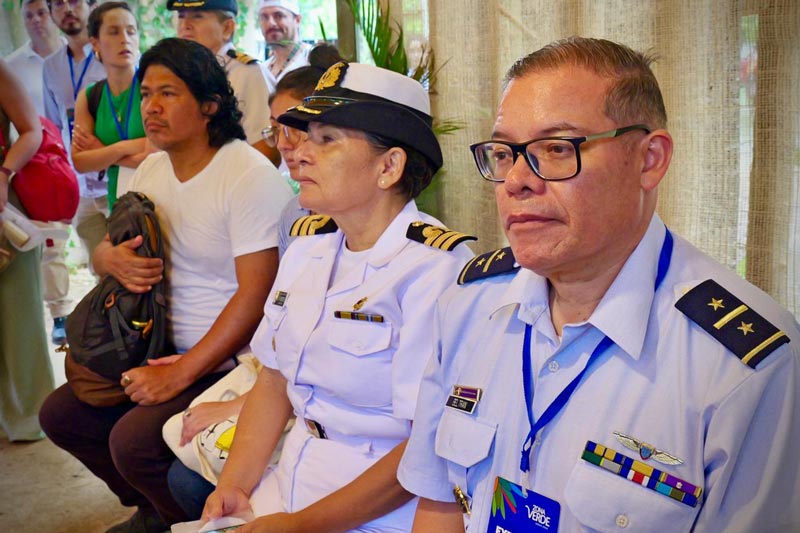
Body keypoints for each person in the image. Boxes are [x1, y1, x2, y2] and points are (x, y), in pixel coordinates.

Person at [397, 37, 800, 532]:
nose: (517, 180)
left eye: (556, 148)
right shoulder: (468, 303)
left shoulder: (743, 367)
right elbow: (439, 503)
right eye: (505, 153)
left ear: (649, 160)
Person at [200, 62, 475, 532]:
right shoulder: (309, 245)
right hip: (291, 479)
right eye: (306, 137)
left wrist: (298, 525)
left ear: (389, 166)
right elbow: (274, 380)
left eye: (327, 140)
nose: (300, 154)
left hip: (382, 509)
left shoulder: (434, 268)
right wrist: (235, 485)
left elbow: (423, 448)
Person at [39, 37, 293, 532]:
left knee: (132, 441)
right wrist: (106, 256)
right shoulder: (151, 168)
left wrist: (180, 374)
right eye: (146, 93)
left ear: (208, 105)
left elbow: (256, 295)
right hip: (148, 342)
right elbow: (110, 250)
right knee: (61, 414)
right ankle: (153, 509)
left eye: (168, 94)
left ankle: (188, 521)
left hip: (226, 359)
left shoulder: (245, 175)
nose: (151, 107)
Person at [165, 43, 343, 521]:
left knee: (177, 470)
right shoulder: (298, 221)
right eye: (276, 129)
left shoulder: (427, 264)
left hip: (342, 445)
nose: (287, 144)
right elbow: (282, 354)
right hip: (291, 403)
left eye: (304, 130)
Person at [42, 0, 107, 344]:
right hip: (78, 181)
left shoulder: (113, 60)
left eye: (75, 1)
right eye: (58, 3)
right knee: (100, 263)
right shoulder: (51, 67)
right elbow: (53, 125)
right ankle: (111, 335)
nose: (67, 9)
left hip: (116, 176)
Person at [7, 0, 69, 346]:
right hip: (39, 166)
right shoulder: (14, 65)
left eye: (41, 12)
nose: (35, 20)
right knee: (51, 245)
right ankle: (60, 313)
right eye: (27, 15)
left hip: (78, 159)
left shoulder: (74, 55)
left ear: (53, 15)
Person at [0, 60, 52, 443]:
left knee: (20, 318)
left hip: (4, 210)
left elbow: (31, 131)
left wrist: (4, 175)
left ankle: (33, 418)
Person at [169, 0, 279, 166]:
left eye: (197, 16)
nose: (185, 25)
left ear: (227, 28)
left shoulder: (247, 73)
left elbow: (267, 150)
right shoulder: (185, 75)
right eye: (181, 16)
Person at [71, 1, 150, 212]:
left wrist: (103, 152)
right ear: (95, 43)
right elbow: (79, 161)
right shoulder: (89, 97)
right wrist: (124, 147)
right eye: (114, 32)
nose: (125, 39)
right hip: (120, 207)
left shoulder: (153, 87)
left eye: (131, 32)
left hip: (161, 202)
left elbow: (157, 155)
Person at [257, 0, 312, 95]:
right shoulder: (261, 69)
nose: (271, 23)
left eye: (278, 16)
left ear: (297, 20)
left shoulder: (312, 60)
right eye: (264, 17)